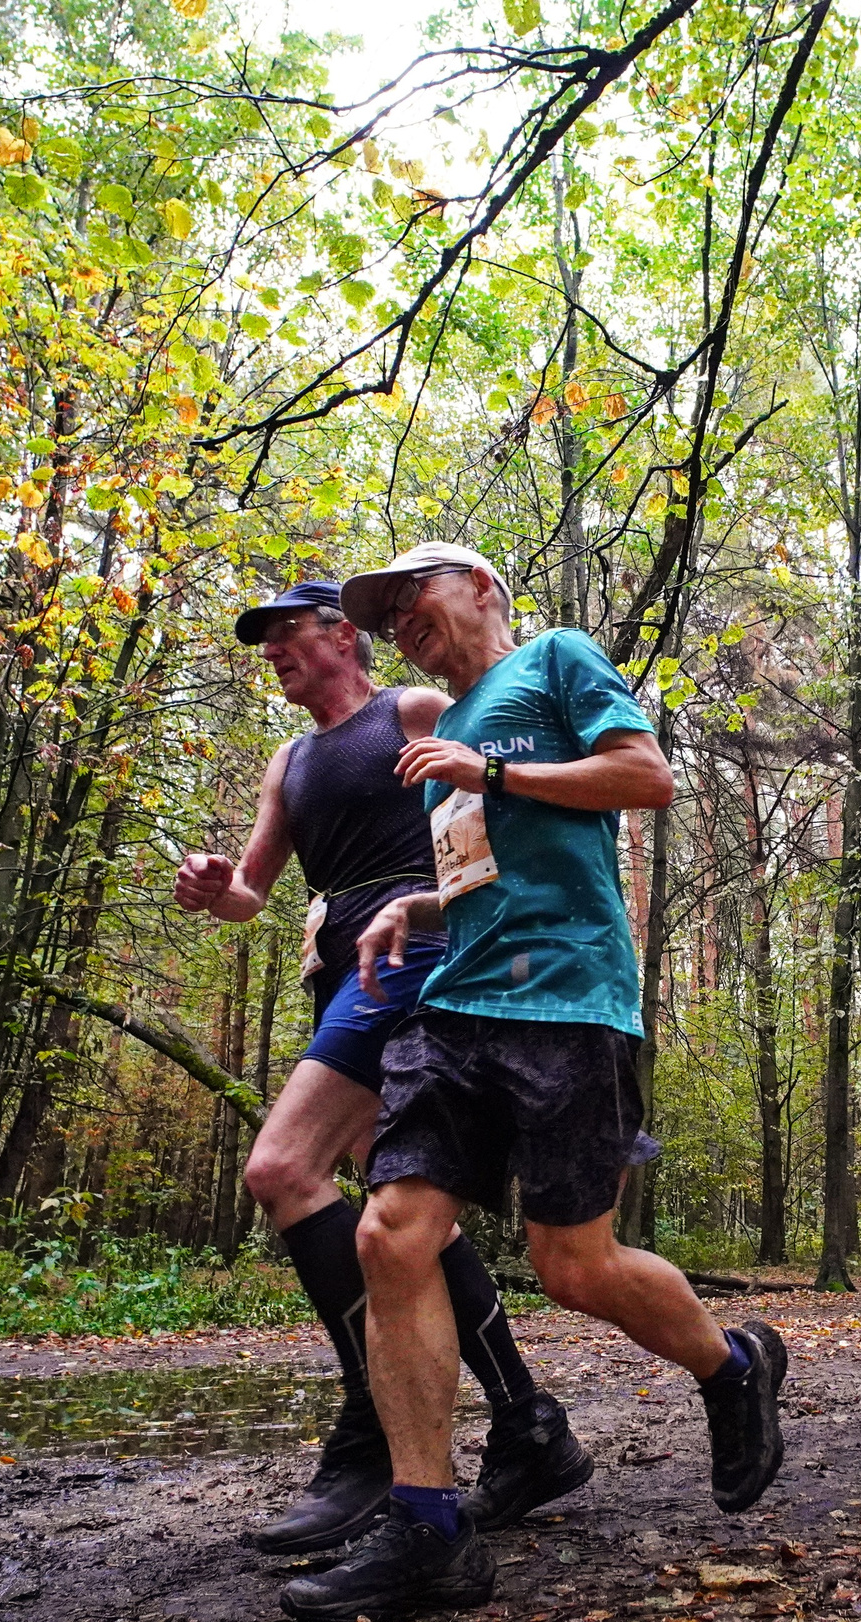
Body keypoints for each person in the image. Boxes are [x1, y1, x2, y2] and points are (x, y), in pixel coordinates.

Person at [277, 543, 787, 1622]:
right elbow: (479, 870)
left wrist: (494, 773)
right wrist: (410, 909)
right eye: (383, 613)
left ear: (482, 591)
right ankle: (429, 1527)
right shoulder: (441, 733)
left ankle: (731, 1364)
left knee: (572, 1266)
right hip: (455, 1003)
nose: (399, 621)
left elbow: (645, 778)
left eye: (413, 597)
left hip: (568, 1002)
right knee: (391, 1233)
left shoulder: (554, 660)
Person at [172, 580, 590, 1555]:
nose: (269, 651)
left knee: (282, 1170)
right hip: (340, 967)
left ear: (338, 636)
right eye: (262, 640)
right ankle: (527, 1421)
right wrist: (210, 888)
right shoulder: (291, 761)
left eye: (283, 633)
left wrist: (513, 907)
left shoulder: (404, 710)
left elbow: (500, 777)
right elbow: (248, 895)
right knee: (401, 1210)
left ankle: (373, 1429)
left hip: (419, 953)